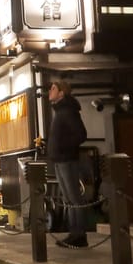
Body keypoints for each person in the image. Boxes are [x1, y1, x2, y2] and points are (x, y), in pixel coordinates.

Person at [46, 79, 89, 248]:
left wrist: (62, 147)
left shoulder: (68, 111)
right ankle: (74, 232)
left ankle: (79, 234)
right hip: (59, 160)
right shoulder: (60, 111)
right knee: (68, 199)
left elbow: (81, 135)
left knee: (74, 198)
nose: (50, 91)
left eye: (54, 88)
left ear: (62, 93)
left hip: (67, 159)